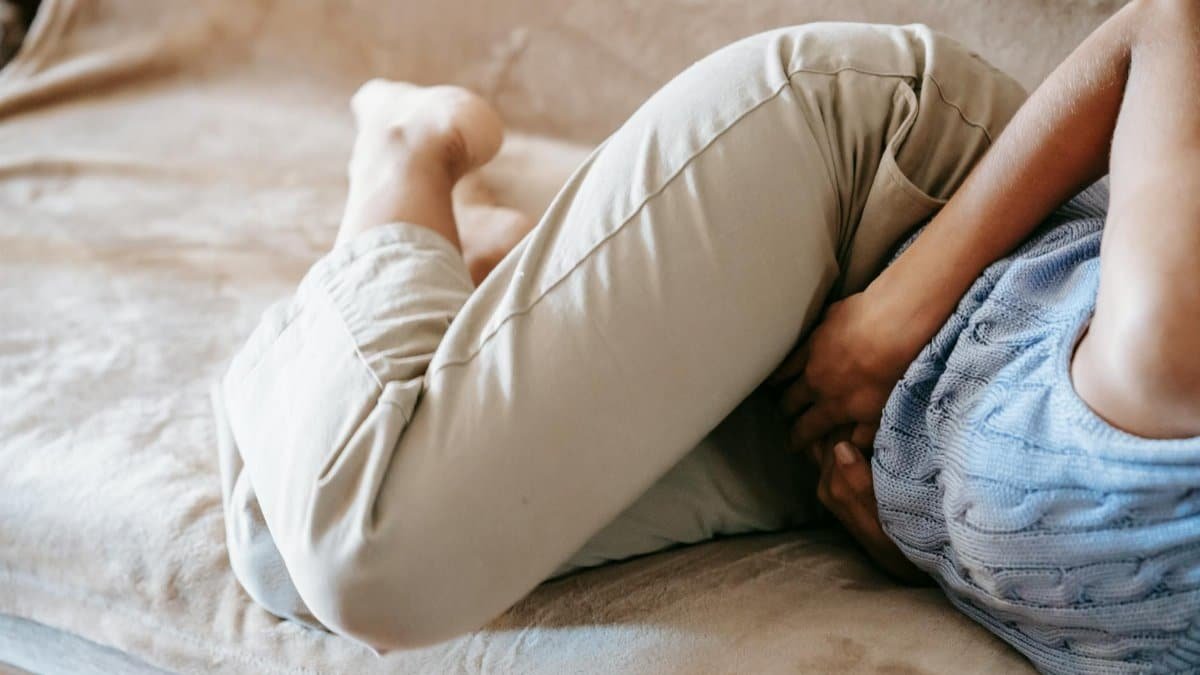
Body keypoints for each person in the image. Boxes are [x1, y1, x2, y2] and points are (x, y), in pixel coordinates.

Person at [212, 1, 1198, 671]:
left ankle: (494, 260)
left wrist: (918, 541)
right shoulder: (1173, 359)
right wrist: (895, 313)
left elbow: (1098, 588)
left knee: (279, 543)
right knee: (369, 546)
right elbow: (1169, 24)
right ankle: (403, 150)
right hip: (884, 206)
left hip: (858, 435)